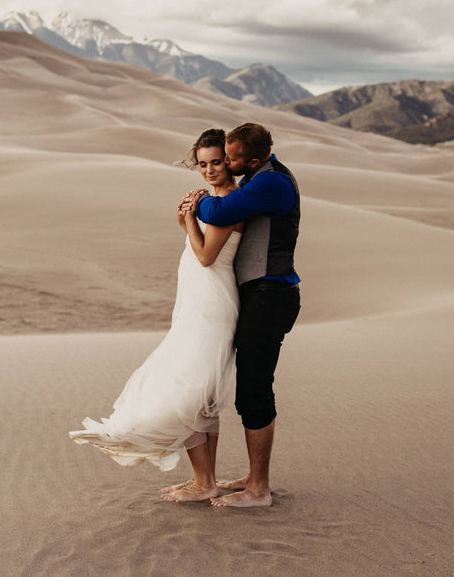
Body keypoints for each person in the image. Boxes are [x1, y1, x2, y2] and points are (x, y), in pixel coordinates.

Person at [69, 129, 243, 503]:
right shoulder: (216, 199)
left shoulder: (230, 202)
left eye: (216, 162)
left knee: (187, 388)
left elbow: (206, 256)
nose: (209, 170)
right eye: (202, 164)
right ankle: (206, 480)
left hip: (211, 305)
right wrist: (191, 220)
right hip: (200, 302)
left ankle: (202, 482)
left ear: (229, 161)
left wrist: (188, 224)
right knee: (201, 392)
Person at [178, 121, 301, 508]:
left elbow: (222, 208)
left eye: (231, 159)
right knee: (251, 388)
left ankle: (259, 489)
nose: (226, 166)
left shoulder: (272, 182)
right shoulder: (258, 177)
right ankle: (252, 477)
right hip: (258, 294)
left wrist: (195, 204)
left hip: (271, 294)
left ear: (252, 158)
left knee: (254, 390)